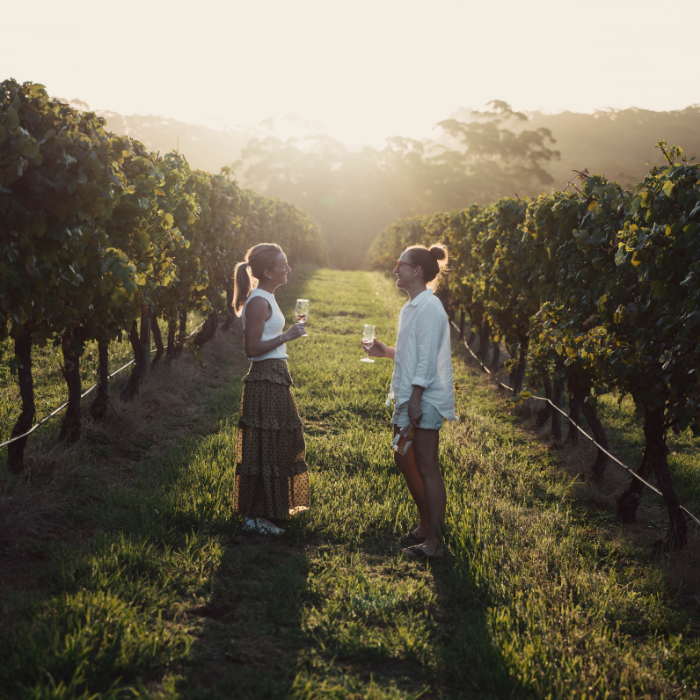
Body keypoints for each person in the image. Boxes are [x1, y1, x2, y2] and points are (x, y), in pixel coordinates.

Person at [368, 244, 456, 558]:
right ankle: (425, 525)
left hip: (424, 398)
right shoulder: (413, 306)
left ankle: (434, 542)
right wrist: (387, 351)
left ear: (416, 271)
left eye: (399, 264)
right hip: (409, 395)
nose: (395, 269)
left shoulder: (430, 307)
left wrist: (416, 400)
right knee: (401, 455)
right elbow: (414, 351)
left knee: (426, 464)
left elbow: (428, 361)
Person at [232, 243, 309, 535]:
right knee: (265, 446)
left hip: (276, 376)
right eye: (283, 265)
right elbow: (252, 350)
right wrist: (286, 336)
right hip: (264, 378)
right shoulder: (259, 302)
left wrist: (285, 338)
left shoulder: (266, 297)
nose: (287, 269)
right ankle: (255, 516)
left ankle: (265, 512)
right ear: (267, 271)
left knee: (277, 444)